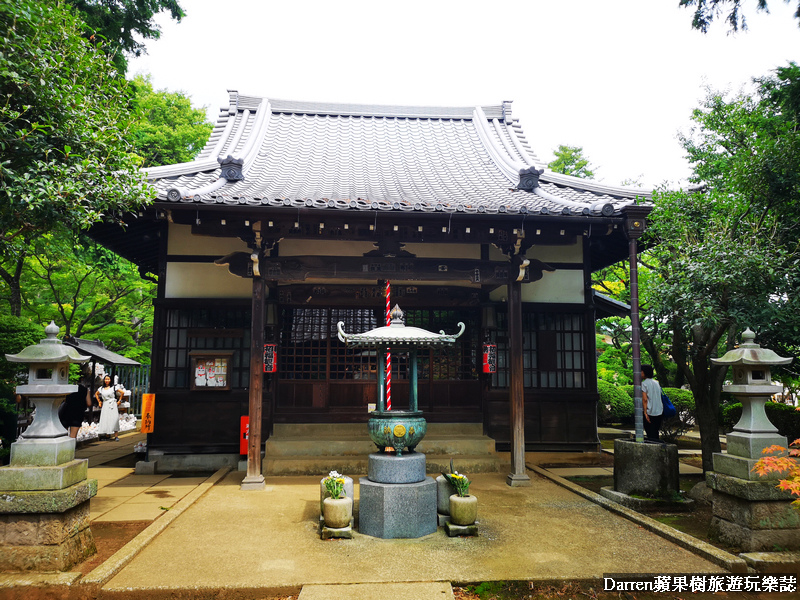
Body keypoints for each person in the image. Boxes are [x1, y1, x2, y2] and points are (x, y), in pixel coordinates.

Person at [641, 364, 663, 442]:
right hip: (659, 411)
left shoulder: (644, 384)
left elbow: (645, 399)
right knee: (655, 432)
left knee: (650, 433)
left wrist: (645, 412)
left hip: (650, 411)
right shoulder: (656, 383)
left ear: (643, 372)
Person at [95, 375, 120, 441]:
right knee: (105, 418)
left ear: (110, 380)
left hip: (112, 404)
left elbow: (122, 392)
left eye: (108, 379)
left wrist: (119, 401)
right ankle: (106, 434)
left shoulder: (113, 387)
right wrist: (99, 401)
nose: (107, 381)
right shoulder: (101, 388)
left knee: (114, 418)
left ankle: (116, 435)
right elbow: (96, 394)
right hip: (105, 403)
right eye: (106, 379)